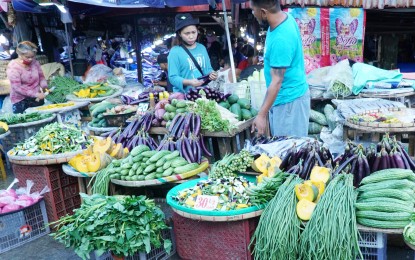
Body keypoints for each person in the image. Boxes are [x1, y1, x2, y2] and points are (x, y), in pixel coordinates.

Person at [250, 0, 310, 137]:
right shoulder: (284, 18)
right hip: (284, 99)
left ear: (264, 12)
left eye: (253, 10)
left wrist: (261, 115)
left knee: (289, 152)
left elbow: (276, 82)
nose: (253, 14)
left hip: (289, 103)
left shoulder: (281, 39)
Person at [168, 13, 217, 93]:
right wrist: (189, 82)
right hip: (183, 97)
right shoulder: (175, 52)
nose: (191, 36)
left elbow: (208, 69)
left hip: (202, 94)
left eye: (193, 32)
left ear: (197, 31)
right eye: (187, 33)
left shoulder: (202, 48)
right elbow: (173, 77)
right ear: (180, 34)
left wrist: (212, 74)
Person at [7, 41, 48, 114]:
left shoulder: (35, 63)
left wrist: (45, 87)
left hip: (36, 99)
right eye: (27, 57)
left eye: (32, 56)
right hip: (20, 101)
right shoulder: (13, 66)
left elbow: (41, 77)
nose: (30, 59)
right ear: (20, 54)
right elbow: (17, 87)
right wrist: (35, 94)